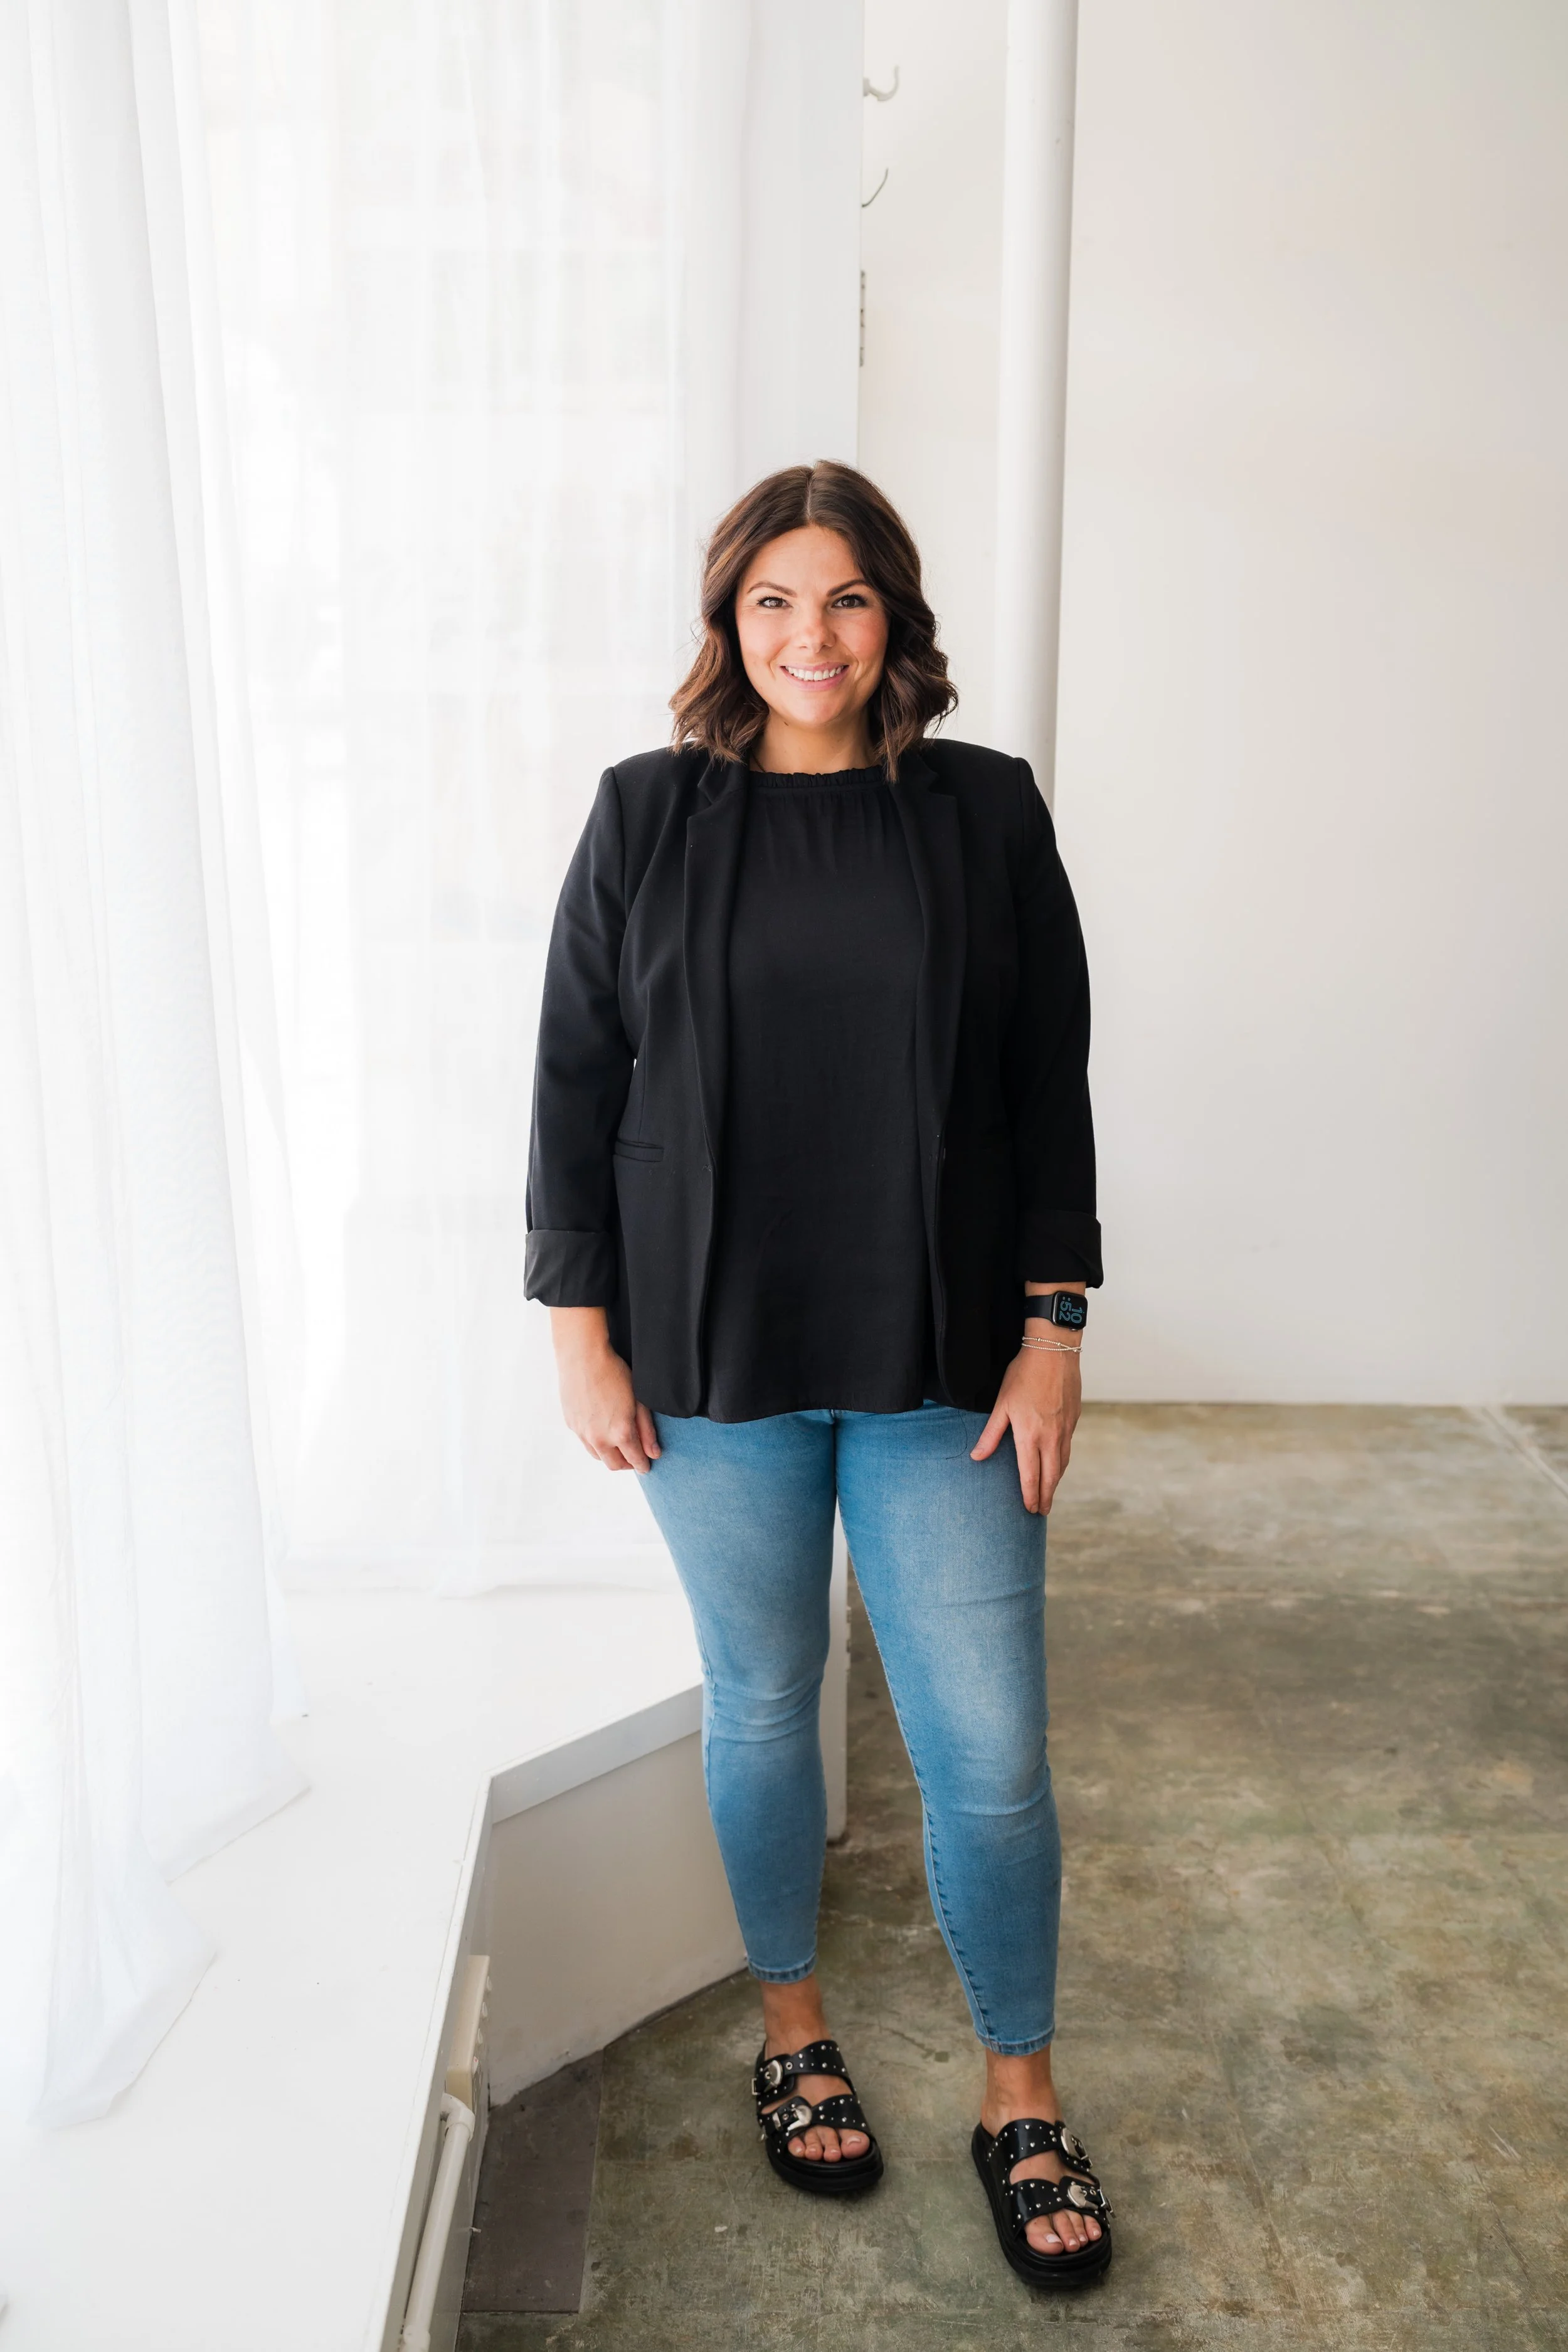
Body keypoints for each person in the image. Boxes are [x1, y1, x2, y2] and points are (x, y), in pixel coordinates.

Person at [525, 461, 1113, 2286]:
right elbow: (572, 1075)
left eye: (844, 598)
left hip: (943, 1352)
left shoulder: (983, 813)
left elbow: (1046, 1084)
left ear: (894, 621)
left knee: (989, 1762)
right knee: (764, 1703)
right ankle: (794, 2032)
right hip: (712, 1352)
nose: (809, 636)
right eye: (771, 601)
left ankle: (1018, 2091)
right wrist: (581, 1332)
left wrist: (1051, 1331)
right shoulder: (644, 816)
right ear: (727, 625)